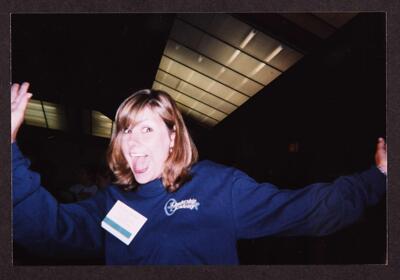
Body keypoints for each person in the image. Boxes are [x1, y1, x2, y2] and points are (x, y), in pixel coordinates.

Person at [11, 82, 387, 265]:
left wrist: (377, 177)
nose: (134, 144)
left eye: (147, 129)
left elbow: (309, 209)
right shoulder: (116, 202)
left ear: (173, 137)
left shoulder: (217, 186)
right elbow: (50, 232)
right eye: (126, 131)